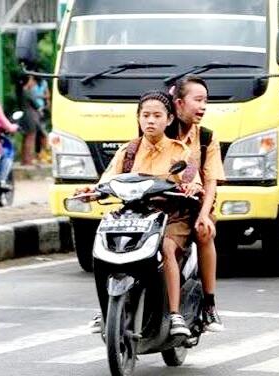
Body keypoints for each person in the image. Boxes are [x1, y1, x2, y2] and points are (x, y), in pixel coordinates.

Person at [80, 90, 203, 337]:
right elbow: (107, 181)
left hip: (170, 218)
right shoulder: (128, 151)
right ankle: (105, 309)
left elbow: (193, 180)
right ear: (138, 118)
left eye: (157, 115)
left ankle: (176, 314)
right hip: (133, 217)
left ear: (168, 120)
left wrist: (191, 186)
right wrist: (92, 191)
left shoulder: (180, 152)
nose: (150, 120)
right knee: (104, 248)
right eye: (145, 115)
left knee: (166, 248)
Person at [169, 75, 226, 332]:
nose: (203, 106)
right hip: (162, 204)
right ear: (179, 103)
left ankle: (209, 305)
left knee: (204, 232)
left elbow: (211, 180)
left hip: (193, 204)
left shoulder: (206, 137)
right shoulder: (160, 130)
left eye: (206, 101)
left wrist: (204, 214)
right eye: (198, 100)